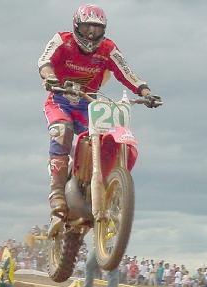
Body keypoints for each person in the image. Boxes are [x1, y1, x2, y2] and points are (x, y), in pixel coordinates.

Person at [38, 4, 162, 234]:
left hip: (88, 102)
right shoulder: (62, 40)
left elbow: (126, 71)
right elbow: (44, 61)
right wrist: (50, 78)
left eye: (96, 29)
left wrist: (144, 91)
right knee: (62, 130)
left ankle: (96, 186)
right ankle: (56, 195)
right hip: (60, 99)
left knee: (103, 137)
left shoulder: (107, 49)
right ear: (77, 26)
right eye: (87, 28)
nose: (91, 34)